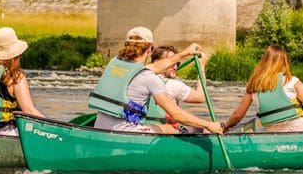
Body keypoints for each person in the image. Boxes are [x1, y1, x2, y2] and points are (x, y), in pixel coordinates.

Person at [88, 26, 223, 135]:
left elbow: (154, 67)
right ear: (149, 50)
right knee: (171, 129)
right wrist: (208, 125)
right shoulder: (149, 78)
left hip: (100, 127)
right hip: (126, 132)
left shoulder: (114, 63)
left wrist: (184, 54)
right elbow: (176, 114)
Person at [146, 44, 208, 131]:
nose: (175, 67)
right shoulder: (173, 85)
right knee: (205, 129)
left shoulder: (142, 77)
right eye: (172, 62)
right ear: (157, 62)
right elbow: (201, 97)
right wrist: (202, 66)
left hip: (145, 125)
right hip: (165, 130)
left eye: (177, 63)